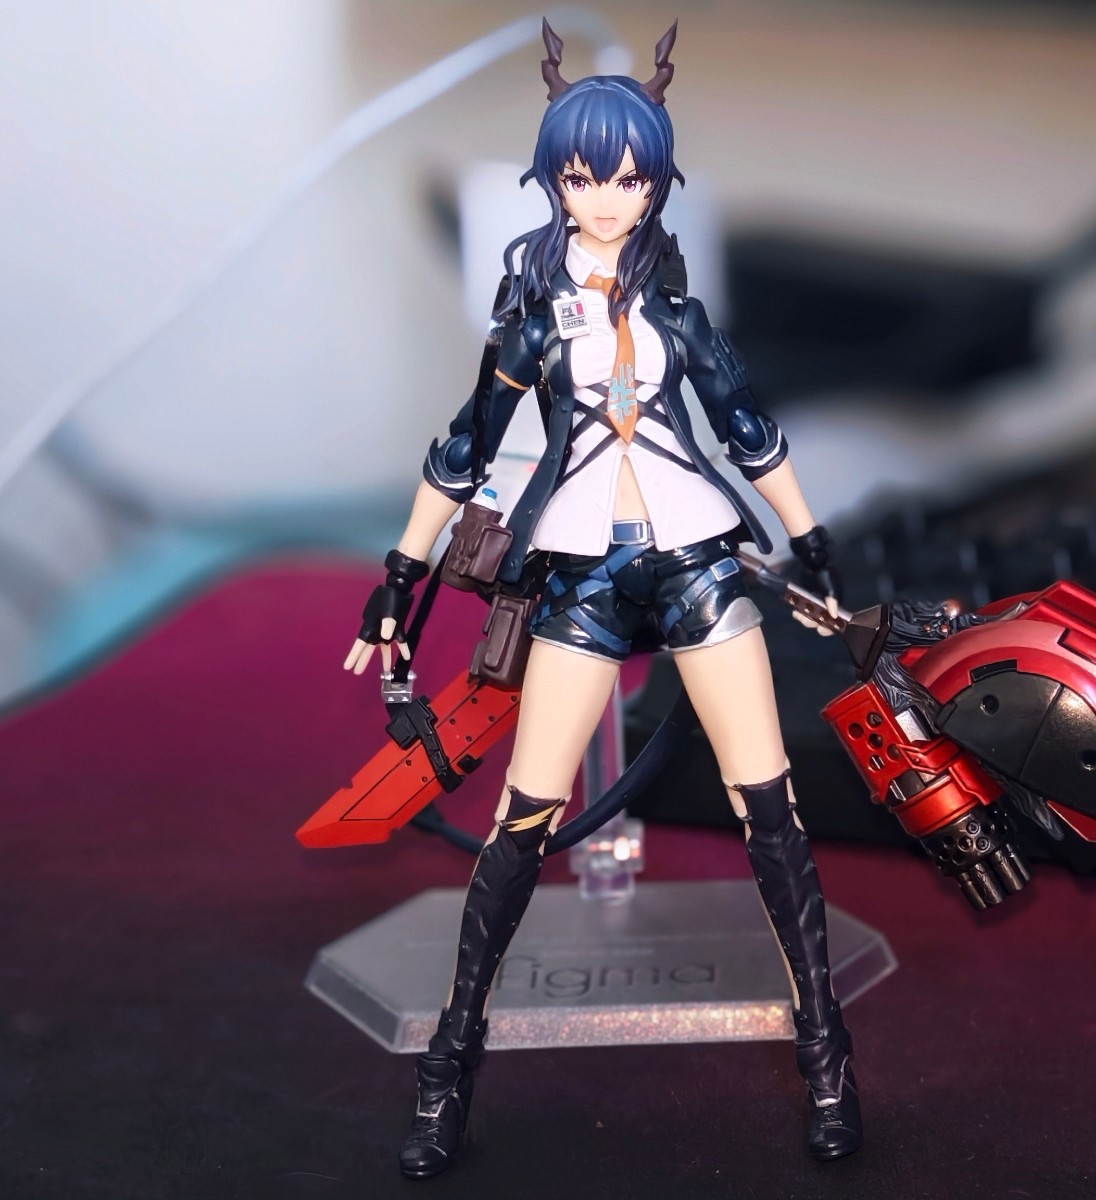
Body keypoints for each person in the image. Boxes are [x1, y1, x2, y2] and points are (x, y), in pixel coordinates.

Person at [341, 21, 860, 1180]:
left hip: (698, 564)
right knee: (523, 817)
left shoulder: (679, 314)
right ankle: (450, 1063)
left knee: (768, 806)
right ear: (556, 179)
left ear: (656, 182)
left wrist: (811, 538)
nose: (608, 197)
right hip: (579, 573)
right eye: (585, 177)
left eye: (628, 178)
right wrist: (401, 575)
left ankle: (825, 1051)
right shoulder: (530, 317)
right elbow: (464, 448)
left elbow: (750, 429)